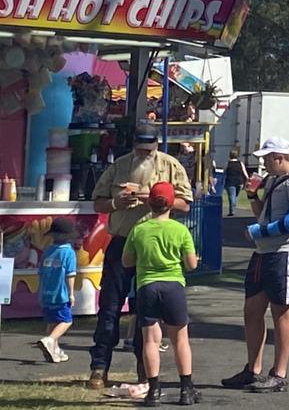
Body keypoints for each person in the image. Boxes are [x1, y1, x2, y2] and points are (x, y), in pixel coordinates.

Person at [87, 122, 193, 392]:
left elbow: (185, 204)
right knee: (110, 308)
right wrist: (115, 203)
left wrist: (155, 200)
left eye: (150, 148)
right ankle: (99, 367)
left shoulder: (171, 166)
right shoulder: (119, 165)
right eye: (140, 147)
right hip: (122, 241)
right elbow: (97, 201)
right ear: (133, 143)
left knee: (146, 312)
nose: (145, 152)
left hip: (152, 245)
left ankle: (145, 371)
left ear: (158, 144)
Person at [222, 137, 289, 393]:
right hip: (264, 252)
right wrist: (251, 194)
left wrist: (259, 232)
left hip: (285, 252)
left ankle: (279, 372)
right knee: (252, 309)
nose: (264, 163)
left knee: (281, 311)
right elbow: (263, 214)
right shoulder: (272, 180)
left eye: (267, 159)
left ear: (279, 157)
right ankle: (252, 369)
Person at [122, 182, 200, 406]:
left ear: (149, 203)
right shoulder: (180, 230)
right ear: (171, 204)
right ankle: (186, 390)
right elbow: (191, 264)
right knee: (180, 339)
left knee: (150, 340)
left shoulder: (139, 230)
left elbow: (127, 261)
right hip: (173, 285)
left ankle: (153, 390)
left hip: (147, 286)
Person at [37, 217, 80, 363]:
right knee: (66, 321)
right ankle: (50, 340)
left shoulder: (48, 251)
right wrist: (71, 293)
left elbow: (41, 273)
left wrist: (40, 292)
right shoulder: (69, 253)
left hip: (47, 292)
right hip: (61, 294)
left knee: (52, 321)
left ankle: (54, 350)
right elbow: (70, 275)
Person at [223, 148, 249, 217]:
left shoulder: (228, 163)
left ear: (230, 155)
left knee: (232, 196)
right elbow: (244, 172)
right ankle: (233, 208)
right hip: (239, 182)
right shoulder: (240, 163)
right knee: (235, 196)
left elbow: (224, 172)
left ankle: (232, 210)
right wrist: (247, 179)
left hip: (230, 182)